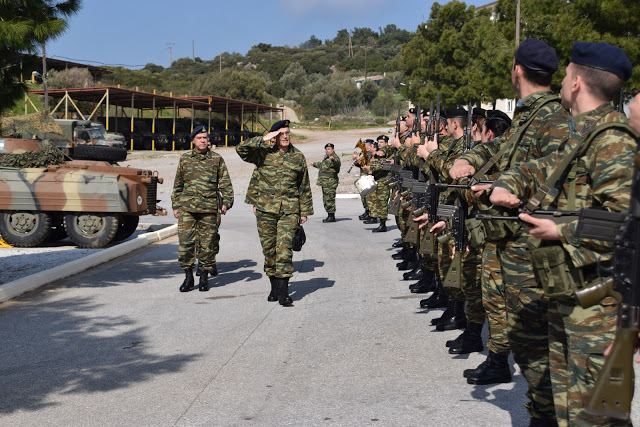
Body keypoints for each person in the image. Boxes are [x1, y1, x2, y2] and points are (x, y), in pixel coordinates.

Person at [489, 41, 636, 427]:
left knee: (597, 415)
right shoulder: (587, 133)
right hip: (573, 297)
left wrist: (561, 229)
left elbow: (627, 224)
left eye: (568, 71)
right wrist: (509, 181)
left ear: (575, 83)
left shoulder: (612, 141)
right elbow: (544, 166)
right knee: (571, 410)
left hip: (600, 306)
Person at [448, 38, 571, 425]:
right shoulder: (529, 115)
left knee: (535, 340)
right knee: (523, 335)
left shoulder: (552, 116)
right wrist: (469, 158)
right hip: (511, 240)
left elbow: (553, 176)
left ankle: (546, 415)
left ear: (517, 69)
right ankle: (542, 409)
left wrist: (508, 188)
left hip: (529, 244)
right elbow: (501, 152)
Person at [236, 120, 313, 306]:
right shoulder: (263, 153)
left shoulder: (298, 157)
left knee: (284, 250)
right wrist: (264, 138)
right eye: (281, 133)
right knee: (269, 250)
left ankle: (284, 292)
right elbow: (241, 149)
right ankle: (274, 287)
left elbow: (304, 185)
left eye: (287, 133)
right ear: (274, 136)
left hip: (289, 210)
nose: (285, 136)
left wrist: (304, 211)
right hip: (265, 209)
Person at [171, 125, 234, 292]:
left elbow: (225, 183)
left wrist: (227, 202)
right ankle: (188, 277)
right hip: (187, 209)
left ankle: (204, 277)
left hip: (209, 209)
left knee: (206, 245)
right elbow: (178, 184)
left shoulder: (216, 159)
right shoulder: (185, 159)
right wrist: (176, 205)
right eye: (199, 138)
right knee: (185, 245)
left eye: (205, 138)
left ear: (208, 141)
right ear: (193, 140)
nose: (203, 140)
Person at [311, 143, 341, 223]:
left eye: (329, 149)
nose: (327, 150)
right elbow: (322, 165)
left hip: (330, 182)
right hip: (326, 182)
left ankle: (331, 216)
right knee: (326, 198)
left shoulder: (334, 157)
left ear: (333, 150)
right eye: (326, 149)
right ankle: (329, 215)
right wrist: (314, 164)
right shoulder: (327, 157)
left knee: (329, 198)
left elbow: (337, 163)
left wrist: (333, 159)